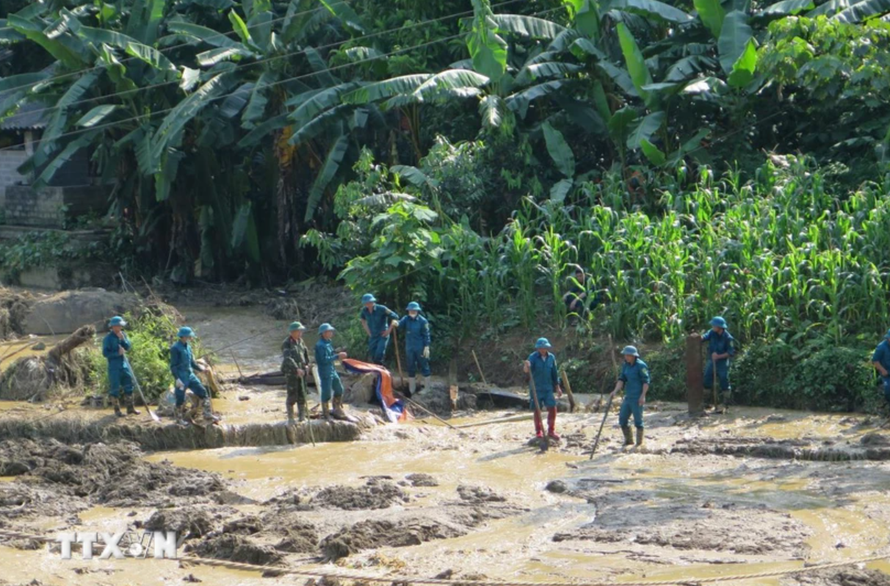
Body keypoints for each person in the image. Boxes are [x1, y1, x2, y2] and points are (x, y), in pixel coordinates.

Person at [170, 326, 217, 424]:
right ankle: (179, 419)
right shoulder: (175, 348)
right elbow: (173, 366)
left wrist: (201, 370)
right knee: (180, 398)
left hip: (190, 375)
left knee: (203, 392)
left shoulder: (188, 347)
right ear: (184, 336)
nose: (191, 338)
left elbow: (192, 363)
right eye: (189, 336)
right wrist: (177, 379)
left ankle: (207, 414)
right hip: (181, 376)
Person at [610, 345, 650, 450]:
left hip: (637, 397)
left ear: (633, 356)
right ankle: (628, 441)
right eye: (625, 355)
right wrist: (615, 391)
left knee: (638, 422)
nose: (626, 357)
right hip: (628, 397)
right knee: (622, 419)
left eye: (628, 355)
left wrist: (643, 396)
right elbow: (621, 379)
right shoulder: (626, 365)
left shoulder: (641, 366)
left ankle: (639, 444)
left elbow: (646, 382)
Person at [523, 338, 563, 440]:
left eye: (544, 347)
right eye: (540, 348)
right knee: (537, 410)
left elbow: (554, 373)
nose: (542, 350)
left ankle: (551, 431)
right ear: (537, 348)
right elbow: (526, 370)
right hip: (536, 388)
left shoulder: (551, 358)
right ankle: (538, 432)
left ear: (547, 347)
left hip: (548, 388)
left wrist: (557, 387)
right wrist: (526, 366)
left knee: (552, 408)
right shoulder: (532, 357)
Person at [102, 315, 137, 418]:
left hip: (124, 365)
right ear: (113, 327)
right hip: (114, 367)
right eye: (118, 326)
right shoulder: (107, 339)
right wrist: (117, 353)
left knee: (128, 385)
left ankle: (131, 409)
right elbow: (105, 353)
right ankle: (117, 411)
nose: (120, 328)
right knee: (115, 388)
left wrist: (123, 340)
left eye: (121, 326)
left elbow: (128, 347)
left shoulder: (123, 335)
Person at [700, 316, 735, 411]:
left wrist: (719, 356)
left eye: (714, 325)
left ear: (720, 327)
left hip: (722, 362)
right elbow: (705, 337)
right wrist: (699, 338)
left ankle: (725, 403)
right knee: (707, 378)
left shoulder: (728, 338)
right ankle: (706, 402)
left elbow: (730, 352)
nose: (712, 327)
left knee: (724, 379)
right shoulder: (712, 333)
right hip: (712, 361)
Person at [315, 323, 348, 420]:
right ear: (324, 333)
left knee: (339, 389)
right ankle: (326, 413)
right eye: (329, 331)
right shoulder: (320, 345)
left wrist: (337, 353)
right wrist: (337, 356)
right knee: (326, 392)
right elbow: (323, 360)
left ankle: (336, 408)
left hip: (332, 369)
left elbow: (330, 353)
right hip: (325, 371)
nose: (331, 333)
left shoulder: (328, 342)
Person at [398, 302, 431, 395]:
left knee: (424, 365)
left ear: (417, 311)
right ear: (408, 310)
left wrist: (426, 346)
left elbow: (426, 334)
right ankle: (411, 389)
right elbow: (399, 325)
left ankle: (427, 388)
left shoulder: (422, 321)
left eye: (414, 310)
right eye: (410, 310)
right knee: (410, 366)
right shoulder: (406, 319)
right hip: (409, 347)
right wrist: (395, 323)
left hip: (420, 347)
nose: (412, 311)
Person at [281, 321, 311, 424]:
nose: (300, 333)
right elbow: (287, 358)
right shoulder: (287, 343)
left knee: (302, 393)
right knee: (292, 394)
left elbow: (306, 354)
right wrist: (296, 369)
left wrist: (307, 365)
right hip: (292, 373)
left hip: (302, 371)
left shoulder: (301, 341)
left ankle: (302, 416)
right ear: (292, 332)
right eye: (298, 331)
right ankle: (291, 418)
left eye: (301, 331)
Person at [359, 293, 399, 365]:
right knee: (372, 353)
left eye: (370, 302)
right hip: (373, 335)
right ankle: (377, 370)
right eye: (366, 303)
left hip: (382, 334)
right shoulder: (364, 311)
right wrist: (368, 332)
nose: (368, 304)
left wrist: (389, 330)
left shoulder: (382, 309)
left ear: (373, 302)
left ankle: (381, 370)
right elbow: (363, 321)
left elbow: (395, 317)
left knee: (379, 353)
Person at [871, 329, 890, 408]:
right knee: (888, 389)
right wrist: (883, 371)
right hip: (886, 373)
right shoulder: (882, 347)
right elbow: (875, 361)